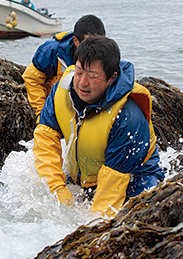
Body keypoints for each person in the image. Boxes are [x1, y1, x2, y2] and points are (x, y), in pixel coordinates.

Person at [33, 36, 165, 217]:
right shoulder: (61, 89)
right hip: (86, 174)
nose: (82, 83)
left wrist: (88, 232)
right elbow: (45, 138)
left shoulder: (128, 116)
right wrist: (58, 191)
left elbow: (108, 199)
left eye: (92, 76)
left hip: (132, 177)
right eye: (79, 72)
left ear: (112, 78)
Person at [22, 14, 105, 118]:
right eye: (88, 44)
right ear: (75, 41)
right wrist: (42, 113)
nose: (94, 50)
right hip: (55, 110)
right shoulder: (52, 51)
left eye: (99, 43)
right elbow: (31, 79)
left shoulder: (107, 54)